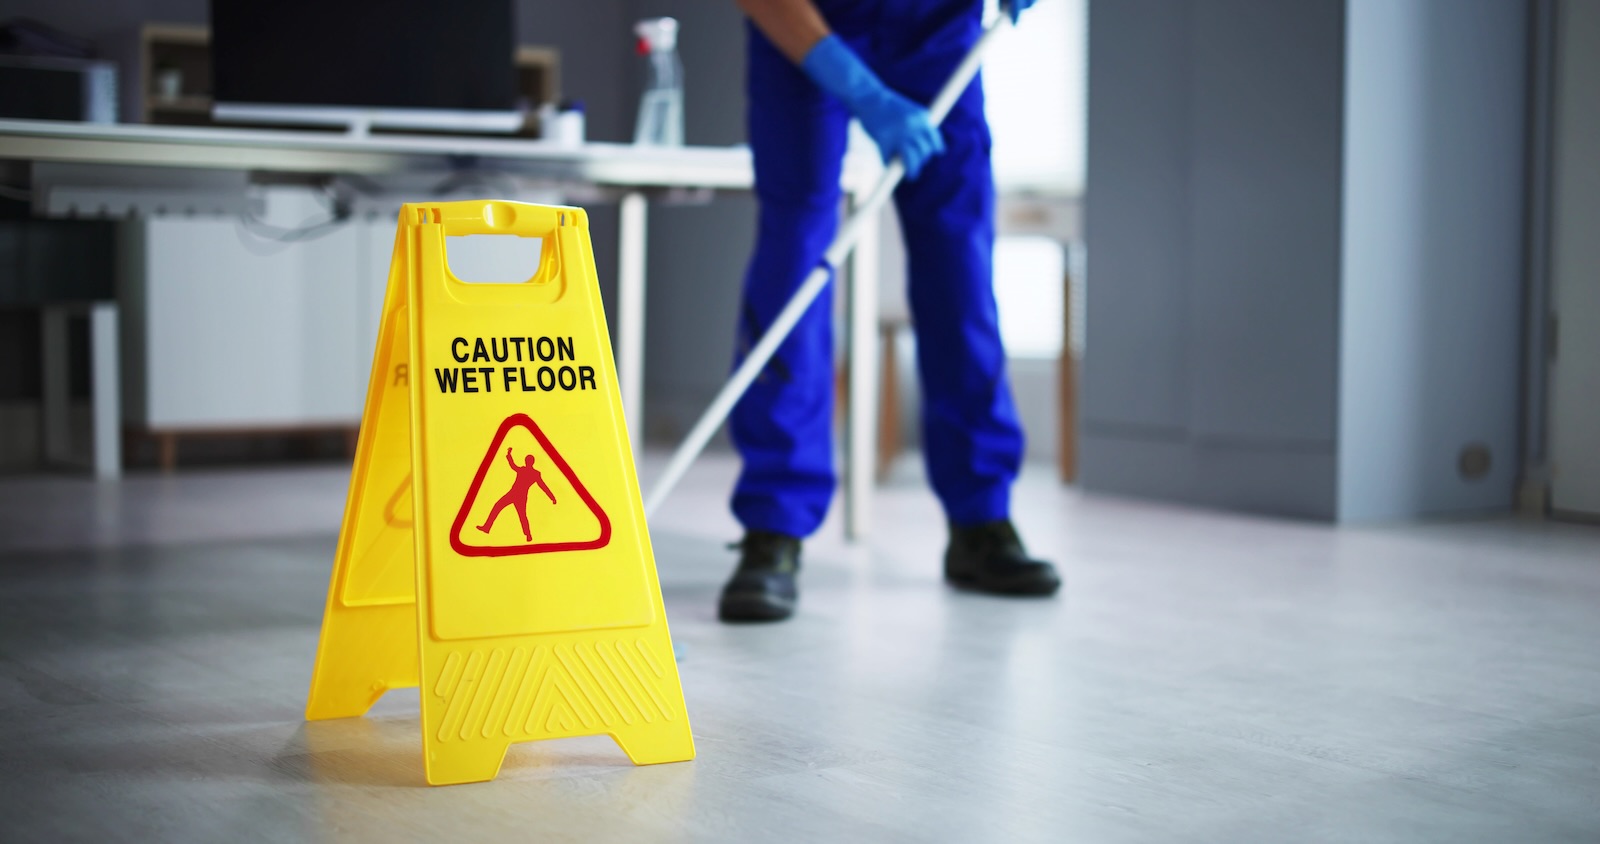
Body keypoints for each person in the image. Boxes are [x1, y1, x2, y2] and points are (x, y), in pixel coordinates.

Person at [720, 0, 1060, 623]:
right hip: (808, 26)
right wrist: (864, 92)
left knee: (959, 264)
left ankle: (981, 520)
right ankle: (774, 526)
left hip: (935, 28)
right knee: (794, 259)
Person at [477, 448, 557, 542]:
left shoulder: (528, 472)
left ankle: (528, 534)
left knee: (520, 515)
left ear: (530, 462)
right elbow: (513, 466)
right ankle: (487, 527)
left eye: (528, 460)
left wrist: (552, 497)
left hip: (517, 495)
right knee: (501, 507)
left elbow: (543, 486)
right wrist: (509, 455)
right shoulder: (533, 473)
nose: (527, 462)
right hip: (516, 494)